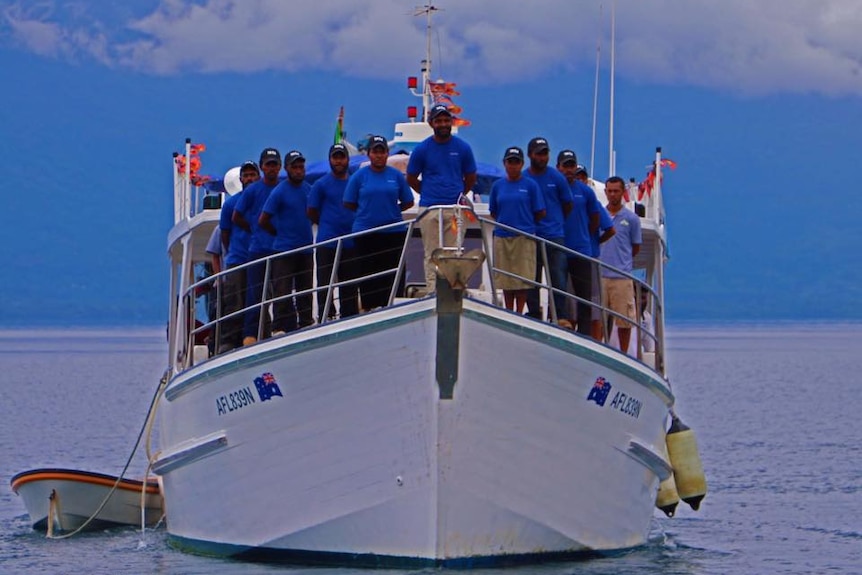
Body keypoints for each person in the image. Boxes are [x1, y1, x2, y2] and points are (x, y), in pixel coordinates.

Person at [406, 104, 477, 293]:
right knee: (432, 253)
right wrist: (428, 192)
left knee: (454, 253)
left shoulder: (463, 148)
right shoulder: (422, 149)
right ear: (431, 123)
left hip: (455, 210)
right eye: (439, 120)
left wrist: (459, 194)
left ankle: (453, 290)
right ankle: (433, 292)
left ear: (451, 122)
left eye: (446, 120)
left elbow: (470, 176)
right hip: (430, 209)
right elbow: (411, 177)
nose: (443, 124)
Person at [343, 135, 414, 310]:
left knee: (392, 276)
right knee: (367, 276)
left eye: (382, 151)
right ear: (368, 154)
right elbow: (349, 202)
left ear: (387, 154)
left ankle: (393, 308)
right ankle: (369, 309)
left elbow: (408, 201)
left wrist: (391, 212)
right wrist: (367, 213)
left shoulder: (396, 176)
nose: (379, 155)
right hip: (365, 234)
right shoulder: (359, 176)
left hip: (393, 233)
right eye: (375, 151)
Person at [259, 150, 314, 334]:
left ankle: (306, 323)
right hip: (283, 250)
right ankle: (279, 328)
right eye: (295, 167)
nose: (298, 170)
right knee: (282, 291)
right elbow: (263, 219)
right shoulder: (280, 191)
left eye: (301, 167)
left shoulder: (309, 189)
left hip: (306, 249)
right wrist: (278, 233)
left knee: (305, 289)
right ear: (287, 168)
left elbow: (315, 213)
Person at [210, 160, 261, 353]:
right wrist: (233, 252)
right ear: (241, 179)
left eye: (252, 175)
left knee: (259, 299)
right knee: (234, 302)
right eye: (246, 175)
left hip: (260, 258)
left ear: (258, 177)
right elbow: (224, 233)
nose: (249, 178)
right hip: (237, 260)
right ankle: (229, 342)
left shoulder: (266, 200)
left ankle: (260, 334)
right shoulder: (231, 204)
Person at [233, 147, 281, 345]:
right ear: (263, 167)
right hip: (258, 248)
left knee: (281, 290)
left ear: (279, 167)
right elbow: (236, 216)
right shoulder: (253, 190)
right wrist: (254, 228)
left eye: (274, 164)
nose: (271, 167)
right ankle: (249, 335)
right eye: (268, 164)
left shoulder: (285, 188)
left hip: (281, 248)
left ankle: (281, 328)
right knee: (255, 293)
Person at [488, 147, 546, 313]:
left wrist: (524, 224)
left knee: (522, 281)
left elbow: (540, 211)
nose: (513, 166)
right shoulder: (498, 186)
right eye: (510, 162)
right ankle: (508, 311)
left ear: (522, 164)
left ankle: (519, 311)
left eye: (516, 162)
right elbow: (493, 211)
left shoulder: (530, 185)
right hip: (503, 236)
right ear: (504, 163)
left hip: (524, 238)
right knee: (506, 280)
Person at [522, 137, 573, 325]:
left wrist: (556, 222)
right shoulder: (524, 178)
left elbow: (567, 204)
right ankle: (534, 313)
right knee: (531, 279)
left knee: (558, 278)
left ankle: (560, 315)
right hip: (531, 236)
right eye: (539, 153)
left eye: (545, 153)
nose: (542, 157)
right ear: (530, 155)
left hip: (554, 236)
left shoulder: (557, 178)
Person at [307, 143, 359, 321]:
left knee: (350, 284)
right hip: (327, 242)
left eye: (341, 157)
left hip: (351, 242)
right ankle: (325, 316)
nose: (338, 161)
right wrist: (326, 224)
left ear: (347, 159)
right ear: (330, 159)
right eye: (335, 157)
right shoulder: (320, 184)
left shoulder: (355, 181)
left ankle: (349, 317)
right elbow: (311, 211)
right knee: (324, 283)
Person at [556, 151, 604, 337]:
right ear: (558, 167)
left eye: (571, 166)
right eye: (565, 166)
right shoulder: (554, 189)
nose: (569, 170)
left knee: (585, 299)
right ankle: (561, 331)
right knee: (560, 296)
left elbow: (595, 218)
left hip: (581, 251)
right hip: (559, 249)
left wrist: (584, 234)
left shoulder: (585, 192)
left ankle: (585, 336)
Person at [600, 176, 642, 353]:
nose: (612, 194)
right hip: (600, 274)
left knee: (624, 319)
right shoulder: (599, 214)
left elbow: (636, 246)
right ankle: (599, 349)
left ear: (623, 192)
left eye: (616, 191)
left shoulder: (631, 219)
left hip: (621, 276)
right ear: (605, 192)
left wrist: (622, 261)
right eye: (609, 191)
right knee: (599, 317)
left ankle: (624, 353)